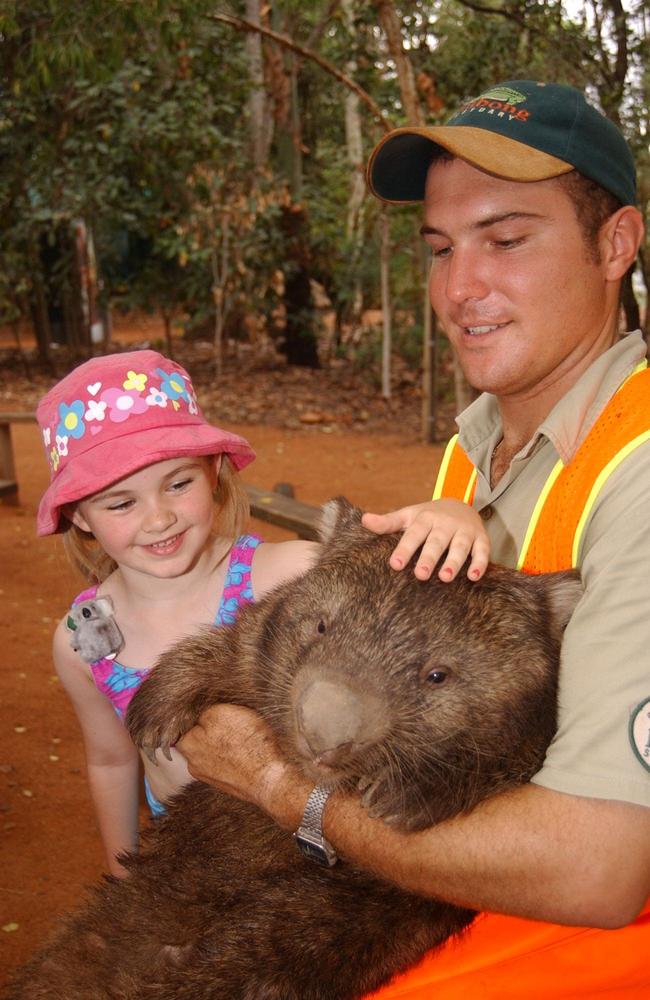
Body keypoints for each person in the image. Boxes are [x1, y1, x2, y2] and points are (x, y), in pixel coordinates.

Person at [173, 80, 650, 998]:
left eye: (507, 239)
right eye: (440, 248)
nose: (460, 287)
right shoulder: (475, 455)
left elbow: (603, 868)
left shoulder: (636, 472)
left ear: (615, 244)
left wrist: (285, 791)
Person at [37, 348, 488, 880]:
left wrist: (452, 514)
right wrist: (122, 872)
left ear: (214, 473)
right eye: (120, 503)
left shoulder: (288, 574)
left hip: (316, 850)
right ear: (80, 517)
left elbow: (395, 589)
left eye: (178, 484)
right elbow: (112, 761)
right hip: (190, 860)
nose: (158, 518)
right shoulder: (81, 642)